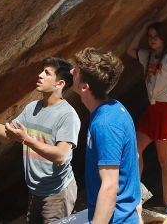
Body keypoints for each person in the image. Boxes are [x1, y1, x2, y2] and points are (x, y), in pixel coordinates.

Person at [0, 58, 81, 224]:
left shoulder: (67, 116)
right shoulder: (32, 108)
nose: (40, 75)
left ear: (59, 83)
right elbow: (5, 135)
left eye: (47, 73)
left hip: (57, 193)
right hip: (36, 190)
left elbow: (61, 156)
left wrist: (26, 139)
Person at [70, 47, 141, 224]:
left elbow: (109, 188)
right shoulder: (114, 108)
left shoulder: (105, 124)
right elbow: (134, 157)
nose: (71, 72)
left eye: (76, 71)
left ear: (85, 87)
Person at [127, 22, 167, 215]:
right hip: (152, 110)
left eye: (156, 36)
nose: (152, 39)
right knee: (134, 149)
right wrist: (141, 27)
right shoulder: (148, 56)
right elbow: (130, 49)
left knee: (164, 160)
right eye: (150, 36)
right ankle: (133, 194)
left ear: (164, 38)